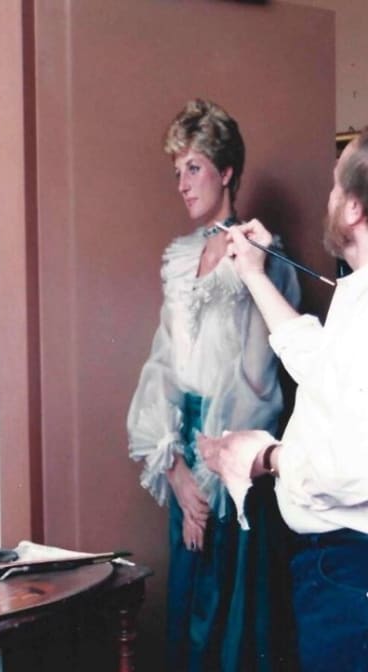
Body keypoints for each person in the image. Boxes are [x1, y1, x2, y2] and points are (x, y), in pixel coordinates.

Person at [126, 99, 300, 671]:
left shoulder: (262, 258)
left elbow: (258, 381)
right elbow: (162, 366)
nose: (181, 183)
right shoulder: (180, 258)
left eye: (193, 167)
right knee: (190, 615)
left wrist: (210, 467)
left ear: (226, 171)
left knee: (229, 622)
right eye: (176, 171)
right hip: (187, 461)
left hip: (235, 460)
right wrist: (175, 472)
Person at [200, 129, 368, 672]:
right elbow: (324, 368)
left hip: (349, 576)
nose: (328, 198)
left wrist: (264, 457)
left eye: (333, 185)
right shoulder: (357, 296)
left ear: (353, 208)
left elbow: (352, 466)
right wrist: (253, 273)